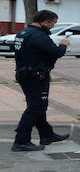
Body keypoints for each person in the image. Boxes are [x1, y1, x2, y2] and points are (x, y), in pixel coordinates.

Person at [12, 9, 71, 151]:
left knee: (38, 106)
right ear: (45, 22)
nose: (52, 27)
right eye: (52, 24)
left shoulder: (23, 32)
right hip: (35, 77)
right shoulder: (38, 35)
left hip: (25, 74)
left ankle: (47, 135)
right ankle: (21, 141)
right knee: (36, 107)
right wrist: (63, 44)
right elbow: (56, 52)